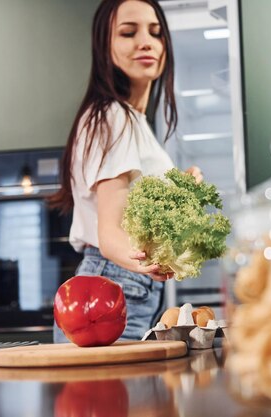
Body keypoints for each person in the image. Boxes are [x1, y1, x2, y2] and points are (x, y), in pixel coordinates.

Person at [50, 0, 202, 341]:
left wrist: (182, 192)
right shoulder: (112, 116)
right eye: (128, 32)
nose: (146, 42)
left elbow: (137, 217)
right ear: (105, 45)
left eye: (156, 33)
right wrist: (152, 263)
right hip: (113, 287)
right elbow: (110, 236)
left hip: (121, 287)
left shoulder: (130, 121)